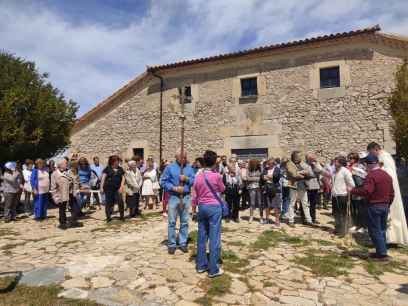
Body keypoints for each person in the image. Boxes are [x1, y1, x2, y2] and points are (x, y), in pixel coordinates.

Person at [351, 154, 394, 260]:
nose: (364, 166)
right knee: (382, 230)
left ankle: (382, 254)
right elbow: (392, 193)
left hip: (374, 206)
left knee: (375, 230)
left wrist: (352, 190)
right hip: (385, 206)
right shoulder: (386, 175)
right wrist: (387, 204)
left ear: (368, 164)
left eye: (365, 164)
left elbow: (367, 191)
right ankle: (382, 251)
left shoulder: (371, 175)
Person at [367, 142, 408, 245]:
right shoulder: (383, 157)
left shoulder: (384, 157)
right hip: (387, 190)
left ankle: (389, 239)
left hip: (387, 190)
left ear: (375, 149)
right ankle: (384, 239)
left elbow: (387, 174)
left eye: (371, 152)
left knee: (390, 215)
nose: (371, 155)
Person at [192, 150, 225, 278]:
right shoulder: (216, 176)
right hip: (214, 207)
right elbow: (222, 189)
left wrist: (194, 209)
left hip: (202, 207)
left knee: (202, 235)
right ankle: (213, 268)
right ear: (214, 161)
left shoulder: (198, 176)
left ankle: (201, 265)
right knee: (214, 237)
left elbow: (195, 194)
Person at [160, 150, 195, 254]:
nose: (184, 159)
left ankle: (183, 242)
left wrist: (187, 178)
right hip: (174, 197)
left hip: (186, 197)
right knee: (172, 222)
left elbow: (194, 180)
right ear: (177, 157)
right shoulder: (169, 168)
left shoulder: (189, 168)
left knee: (184, 221)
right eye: (182, 157)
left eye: (185, 157)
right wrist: (174, 188)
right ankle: (171, 243)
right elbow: (163, 181)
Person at [50, 159, 81, 229]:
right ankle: (62, 223)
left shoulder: (69, 172)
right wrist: (55, 197)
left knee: (75, 208)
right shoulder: (54, 174)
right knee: (62, 209)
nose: (67, 164)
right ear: (60, 165)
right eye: (65, 163)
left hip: (71, 193)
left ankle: (74, 221)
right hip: (61, 194)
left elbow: (75, 180)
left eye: (66, 163)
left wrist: (75, 189)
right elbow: (53, 187)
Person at [286, 151, 313, 226]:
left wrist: (301, 172)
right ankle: (291, 220)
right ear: (294, 156)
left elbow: (309, 172)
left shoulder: (302, 163)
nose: (300, 157)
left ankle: (309, 220)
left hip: (303, 186)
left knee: (305, 203)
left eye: (300, 156)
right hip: (293, 185)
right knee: (292, 203)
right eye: (298, 156)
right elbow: (294, 174)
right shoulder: (289, 163)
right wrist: (302, 173)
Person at [331, 155, 355, 237]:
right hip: (335, 195)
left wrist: (349, 188)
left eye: (336, 161)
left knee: (343, 213)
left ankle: (343, 230)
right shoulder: (334, 171)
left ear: (341, 163)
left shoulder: (345, 171)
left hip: (342, 195)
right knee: (336, 213)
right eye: (335, 161)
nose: (334, 163)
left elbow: (352, 184)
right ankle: (337, 228)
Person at [100, 155, 125, 222]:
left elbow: (123, 178)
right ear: (113, 161)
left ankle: (122, 216)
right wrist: (101, 187)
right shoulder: (107, 169)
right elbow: (103, 178)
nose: (118, 162)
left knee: (120, 201)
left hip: (117, 188)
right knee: (109, 203)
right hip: (108, 188)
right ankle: (108, 217)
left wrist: (121, 186)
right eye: (117, 160)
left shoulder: (120, 169)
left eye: (118, 160)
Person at [348, 152, 368, 233]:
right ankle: (355, 225)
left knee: (360, 210)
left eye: (351, 158)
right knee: (353, 209)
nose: (349, 160)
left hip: (359, 191)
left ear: (355, 159)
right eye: (349, 158)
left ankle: (362, 226)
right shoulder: (349, 166)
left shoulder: (360, 166)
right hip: (352, 192)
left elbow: (361, 179)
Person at [261, 158, 282, 226]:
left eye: (271, 163)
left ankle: (277, 220)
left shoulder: (277, 169)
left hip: (275, 189)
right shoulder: (265, 169)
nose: (270, 165)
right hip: (267, 188)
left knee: (276, 205)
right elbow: (262, 177)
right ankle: (267, 219)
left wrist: (268, 176)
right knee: (267, 205)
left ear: (274, 163)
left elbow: (276, 176)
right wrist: (269, 177)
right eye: (269, 163)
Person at [306, 153, 325, 224]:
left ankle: (313, 218)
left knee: (313, 204)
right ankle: (305, 218)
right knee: (305, 204)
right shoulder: (305, 165)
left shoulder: (316, 164)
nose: (311, 160)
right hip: (307, 185)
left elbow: (321, 171)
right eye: (310, 158)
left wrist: (316, 163)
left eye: (312, 158)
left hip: (314, 185)